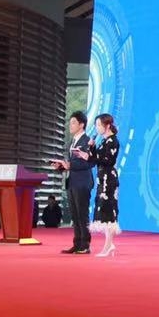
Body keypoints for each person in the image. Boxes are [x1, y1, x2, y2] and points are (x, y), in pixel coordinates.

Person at [52, 111, 95, 254]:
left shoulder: (88, 141)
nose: (70, 125)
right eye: (70, 123)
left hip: (82, 182)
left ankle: (85, 244)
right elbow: (71, 164)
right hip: (72, 181)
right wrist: (61, 167)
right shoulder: (72, 141)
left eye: (73, 123)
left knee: (82, 214)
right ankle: (77, 243)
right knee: (75, 215)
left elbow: (89, 163)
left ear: (82, 125)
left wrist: (70, 165)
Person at [90, 113, 122, 258]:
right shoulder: (103, 141)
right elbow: (95, 158)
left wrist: (93, 155)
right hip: (101, 179)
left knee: (108, 209)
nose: (97, 128)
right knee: (103, 208)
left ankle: (108, 245)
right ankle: (109, 244)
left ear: (107, 125)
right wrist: (91, 149)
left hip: (109, 179)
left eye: (99, 125)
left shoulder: (113, 141)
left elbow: (107, 160)